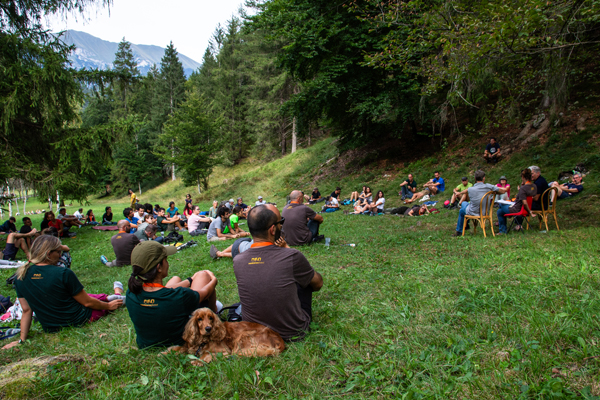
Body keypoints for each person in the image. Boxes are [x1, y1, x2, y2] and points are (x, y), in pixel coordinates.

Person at [2, 235, 124, 349]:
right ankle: (116, 295)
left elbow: (27, 310)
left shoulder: (20, 276)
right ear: (48, 254)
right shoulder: (63, 273)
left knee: (82, 296)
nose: (61, 256)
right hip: (78, 318)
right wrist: (108, 306)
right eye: (59, 252)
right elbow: (87, 302)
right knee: (108, 302)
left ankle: (108, 297)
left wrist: (22, 340)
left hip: (50, 326)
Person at [233, 204, 324, 341]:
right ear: (272, 229)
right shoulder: (292, 256)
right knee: (305, 279)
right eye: (280, 223)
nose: (282, 226)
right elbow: (317, 284)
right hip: (293, 331)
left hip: (254, 333)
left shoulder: (238, 260)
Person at [126, 240, 219, 349]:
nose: (168, 263)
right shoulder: (180, 296)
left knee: (175, 279)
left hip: (145, 344)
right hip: (179, 342)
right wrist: (213, 279)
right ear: (159, 267)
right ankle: (215, 313)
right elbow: (204, 292)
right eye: (166, 259)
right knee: (203, 275)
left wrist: (190, 280)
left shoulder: (131, 293)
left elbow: (160, 293)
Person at [452, 170, 507, 237]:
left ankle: (460, 230)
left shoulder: (470, 189)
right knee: (464, 205)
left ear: (475, 178)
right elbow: (503, 191)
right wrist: (497, 191)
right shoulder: (489, 187)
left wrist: (459, 193)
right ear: (484, 178)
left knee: (463, 206)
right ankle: (465, 225)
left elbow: (466, 191)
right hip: (485, 212)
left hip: (472, 212)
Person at [497, 168, 537, 234]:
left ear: (523, 177)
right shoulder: (534, 186)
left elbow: (524, 202)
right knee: (501, 210)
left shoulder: (523, 188)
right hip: (526, 208)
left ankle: (503, 231)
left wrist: (529, 212)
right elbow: (532, 197)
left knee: (500, 208)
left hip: (517, 209)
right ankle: (505, 225)